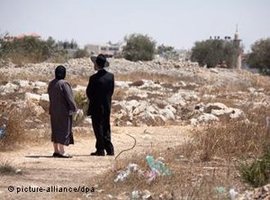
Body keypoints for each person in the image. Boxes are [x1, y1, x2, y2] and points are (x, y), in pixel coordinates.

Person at [86, 54, 115, 156]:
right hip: (107, 106)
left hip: (96, 107)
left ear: (97, 64)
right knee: (106, 127)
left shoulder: (93, 78)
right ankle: (109, 149)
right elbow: (111, 91)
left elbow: (89, 93)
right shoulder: (111, 77)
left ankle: (100, 149)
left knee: (98, 128)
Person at [48, 65, 77, 158]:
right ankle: (62, 151)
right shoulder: (64, 84)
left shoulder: (51, 83)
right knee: (64, 130)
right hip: (63, 111)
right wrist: (74, 108)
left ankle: (56, 150)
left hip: (53, 110)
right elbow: (69, 98)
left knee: (55, 130)